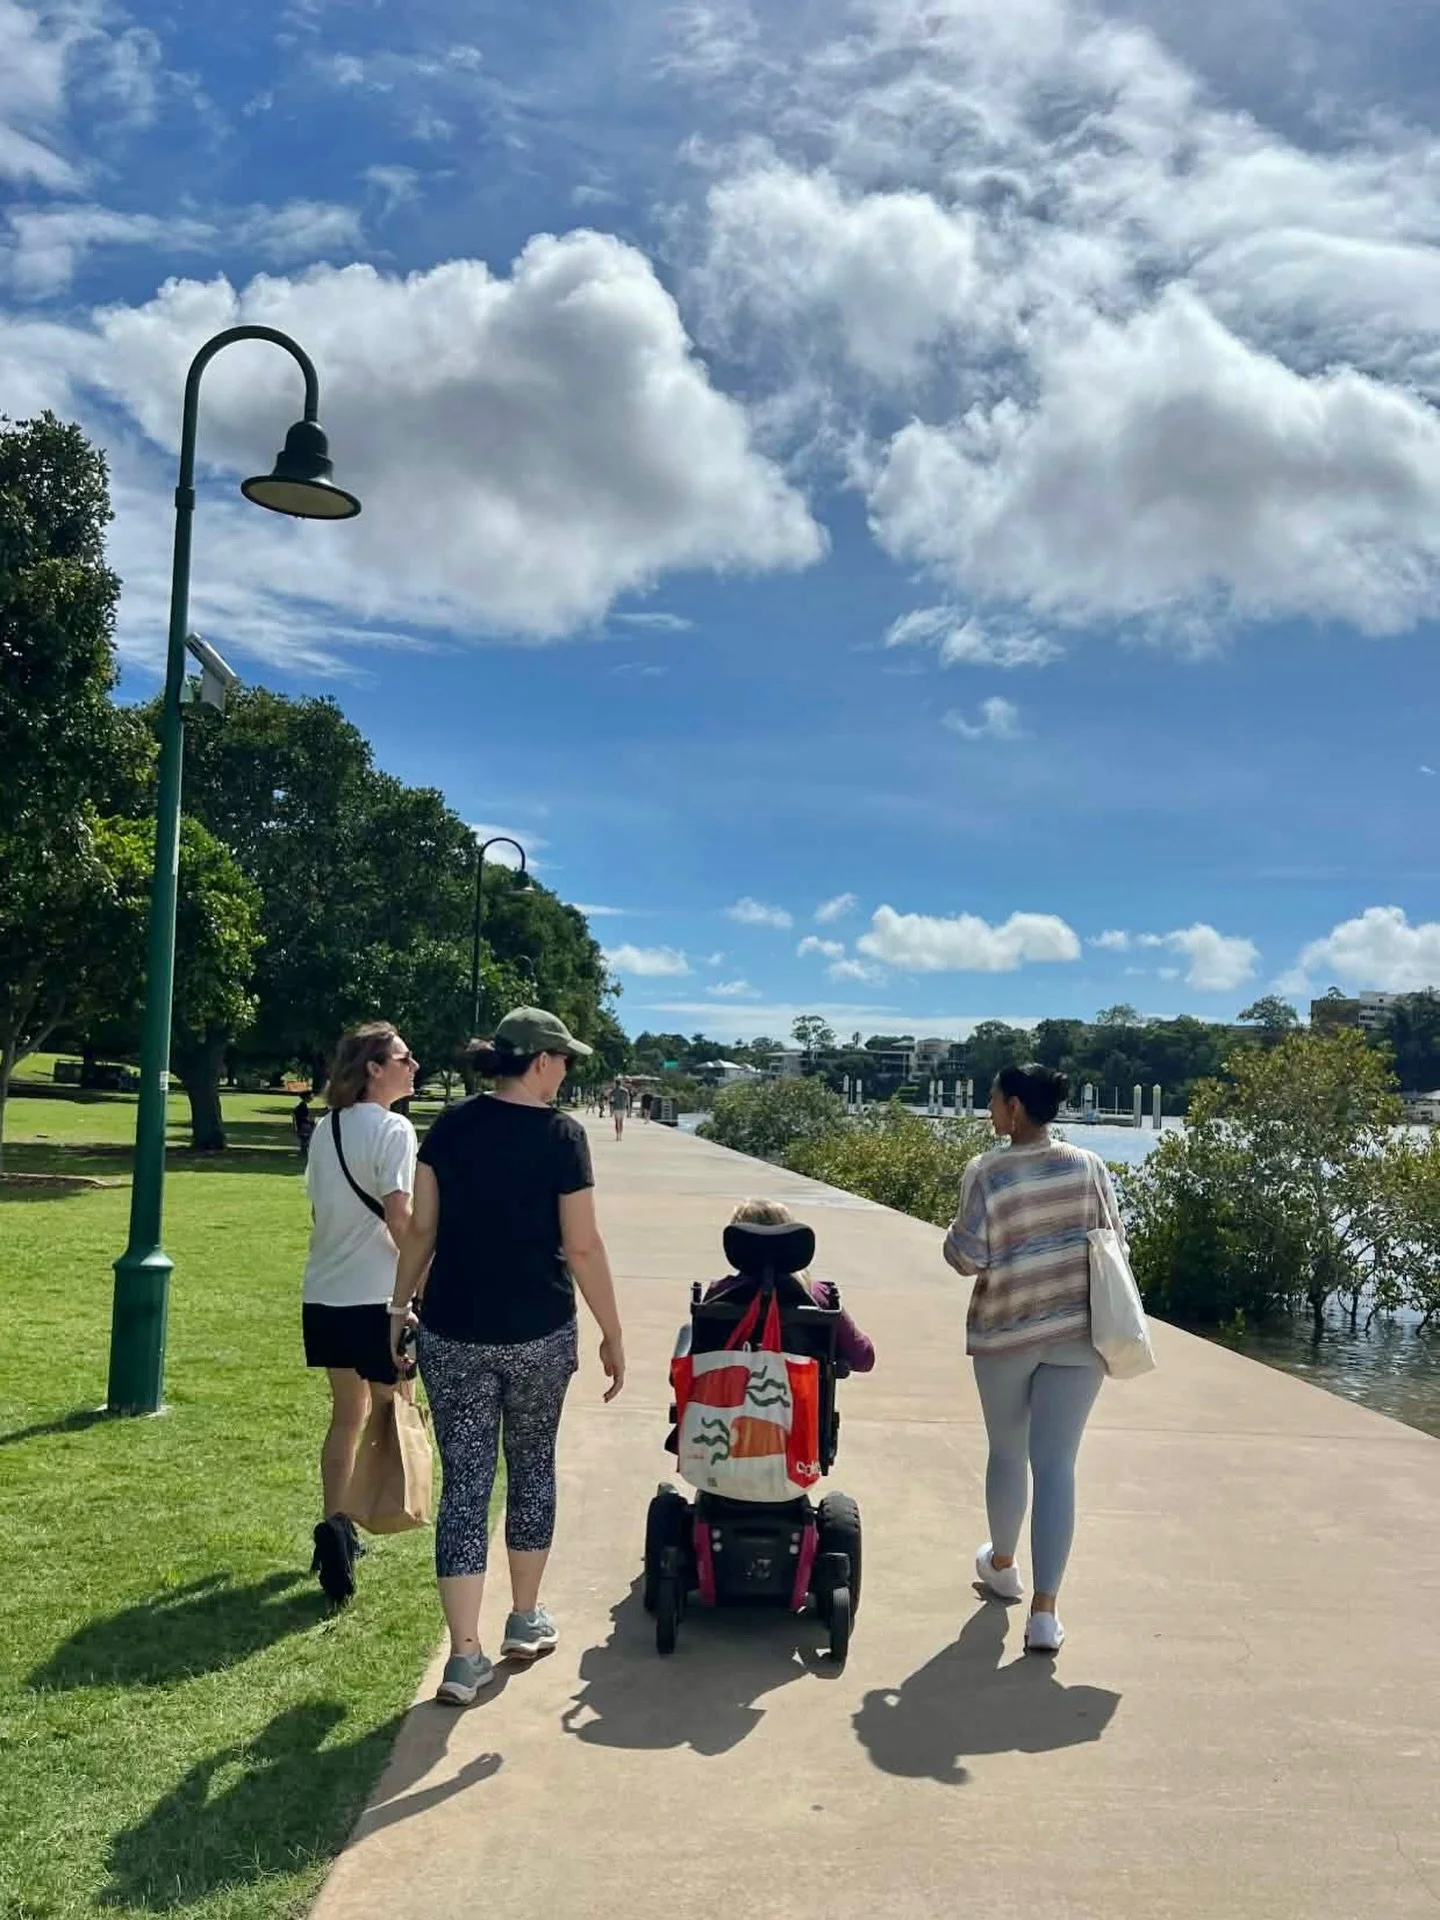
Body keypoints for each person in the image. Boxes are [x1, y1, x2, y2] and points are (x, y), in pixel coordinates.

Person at [390, 1006, 625, 1707]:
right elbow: (581, 1245)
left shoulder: (452, 1128)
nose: (565, 1074)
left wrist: (400, 1305)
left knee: (466, 1485)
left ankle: (464, 1658)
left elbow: (422, 1229)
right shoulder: (562, 1137)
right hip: (540, 1332)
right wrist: (612, 1329)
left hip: (454, 1330)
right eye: (565, 1062)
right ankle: (524, 1618)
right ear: (544, 1060)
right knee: (530, 1467)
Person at [943, 1063, 1120, 1655]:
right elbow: (1112, 1241)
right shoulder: (1089, 1166)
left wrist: (953, 1237)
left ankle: (1002, 1564)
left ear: (1015, 1107)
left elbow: (968, 1258)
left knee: (1006, 1451)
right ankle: (1045, 1614)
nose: (989, 1108)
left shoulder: (986, 1172)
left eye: (994, 1099)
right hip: (1078, 1332)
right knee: (1057, 1466)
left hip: (1006, 1333)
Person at [301, 1023, 419, 1604]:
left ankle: (336, 1526)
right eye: (403, 1057)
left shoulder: (326, 1129)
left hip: (324, 1292)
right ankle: (377, 1510)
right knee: (391, 1409)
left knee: (346, 1414)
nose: (413, 1065)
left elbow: (320, 1208)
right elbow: (401, 1219)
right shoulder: (395, 1129)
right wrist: (422, 1286)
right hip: (377, 1296)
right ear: (374, 1068)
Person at [704, 1198, 875, 1372]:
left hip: (727, 1395)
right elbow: (863, 1358)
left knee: (688, 1331)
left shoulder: (720, 1293)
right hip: (802, 1396)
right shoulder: (819, 1297)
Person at [292, 1090, 316, 1165]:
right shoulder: (302, 1106)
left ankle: (304, 1154)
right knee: (305, 1141)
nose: (312, 1098)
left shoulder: (301, 1105)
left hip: (302, 1125)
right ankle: (304, 1155)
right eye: (310, 1096)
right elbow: (303, 1117)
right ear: (306, 1097)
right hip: (303, 1126)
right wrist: (311, 1121)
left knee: (304, 1141)